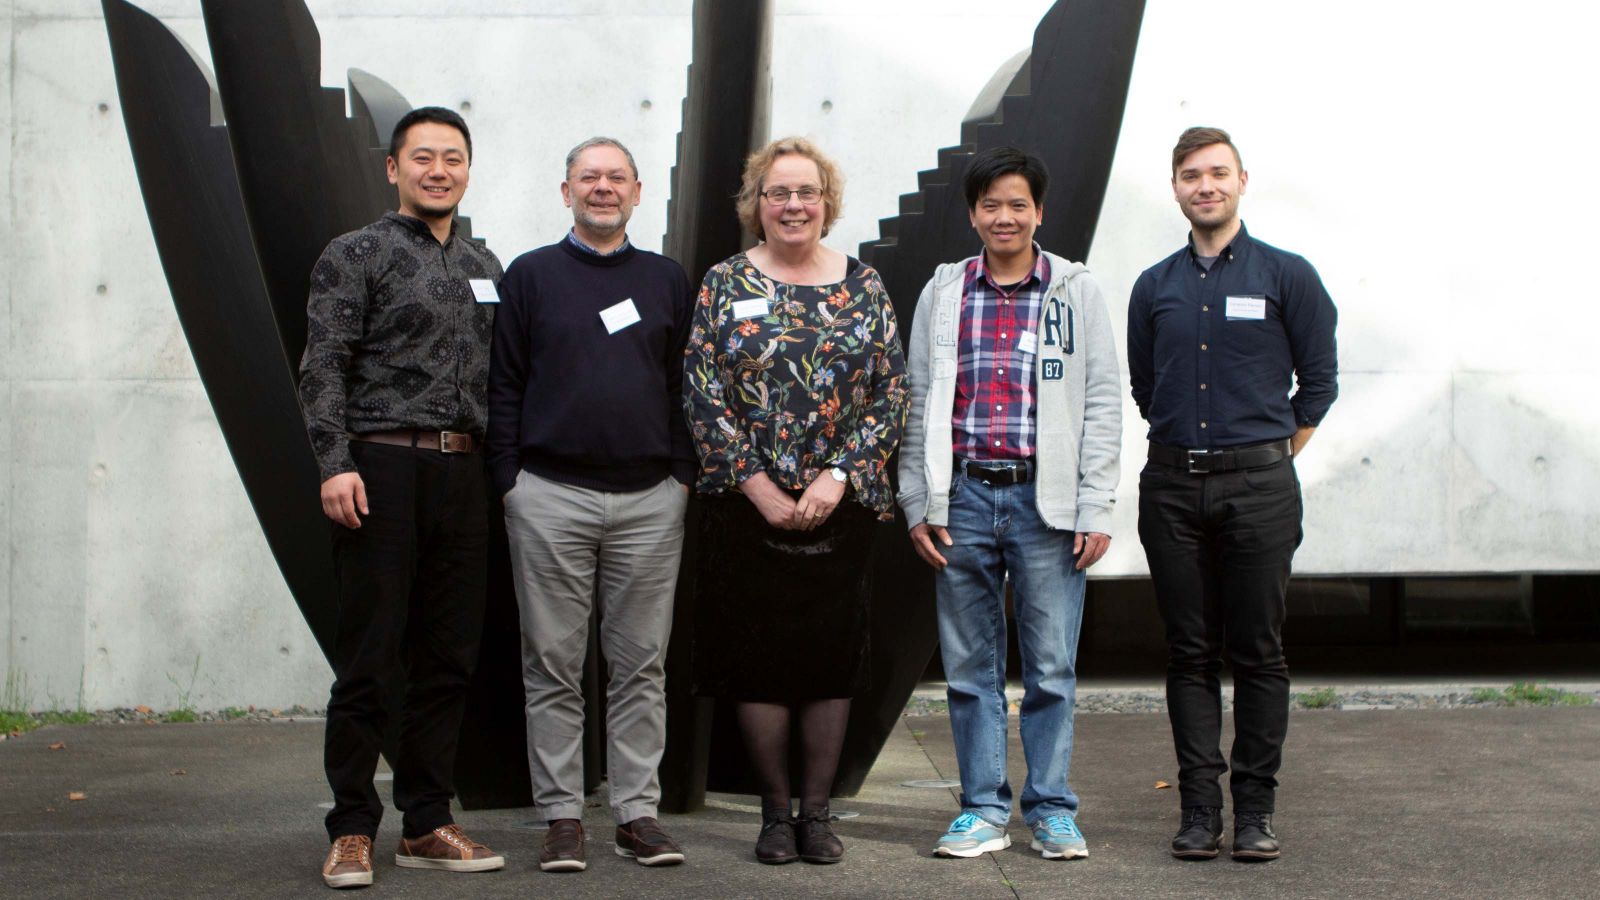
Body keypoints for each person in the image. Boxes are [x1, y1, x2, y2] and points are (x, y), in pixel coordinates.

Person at [683, 136, 907, 865]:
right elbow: (702, 392)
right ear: (758, 204)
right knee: (758, 662)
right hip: (744, 508)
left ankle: (819, 813)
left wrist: (836, 475)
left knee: (827, 661)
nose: (793, 204)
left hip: (839, 508)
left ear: (826, 203)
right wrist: (757, 486)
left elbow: (890, 392)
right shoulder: (722, 282)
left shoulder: (865, 286)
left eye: (806, 192)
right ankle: (774, 815)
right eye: (778, 192)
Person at [298, 106, 506, 889]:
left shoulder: (486, 264)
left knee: (449, 656)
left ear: (467, 169)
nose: (439, 170)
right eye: (423, 157)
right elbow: (323, 364)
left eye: (453, 157)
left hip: (464, 474)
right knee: (372, 658)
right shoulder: (357, 254)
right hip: (380, 468)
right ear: (394, 169)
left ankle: (427, 820)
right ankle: (352, 828)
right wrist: (333, 463)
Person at [897, 146, 1121, 861]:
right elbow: (918, 399)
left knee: (1051, 666)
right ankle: (984, 810)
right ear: (973, 214)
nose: (1004, 216)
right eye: (990, 205)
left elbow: (1103, 403)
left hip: (1045, 503)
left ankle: (1052, 809)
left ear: (1039, 212)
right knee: (969, 669)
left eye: (1017, 204)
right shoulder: (945, 290)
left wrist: (1095, 505)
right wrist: (917, 500)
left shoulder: (1074, 291)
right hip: (961, 497)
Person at [1128, 126, 1338, 862]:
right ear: (1177, 187)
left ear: (1242, 180)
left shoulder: (1288, 276)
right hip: (1173, 490)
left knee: (1257, 651)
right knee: (1189, 652)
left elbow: (1318, 386)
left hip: (1260, 488)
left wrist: (1262, 457)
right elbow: (1144, 386)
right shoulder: (1155, 286)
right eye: (1191, 175)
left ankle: (1254, 812)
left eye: (1218, 172)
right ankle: (1197, 812)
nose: (1205, 185)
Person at [487, 137, 695, 873]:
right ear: (566, 190)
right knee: (552, 665)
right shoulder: (532, 275)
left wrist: (681, 477)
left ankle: (637, 814)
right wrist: (510, 478)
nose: (602, 188)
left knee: (641, 665)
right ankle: (563, 818)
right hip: (548, 496)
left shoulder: (667, 279)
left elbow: (682, 387)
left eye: (616, 178)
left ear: (638, 192)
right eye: (589, 178)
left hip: (649, 500)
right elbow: (504, 383)